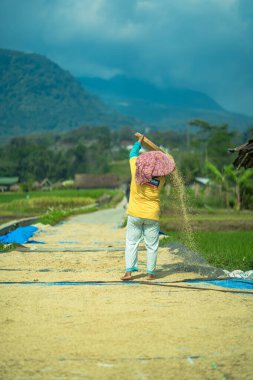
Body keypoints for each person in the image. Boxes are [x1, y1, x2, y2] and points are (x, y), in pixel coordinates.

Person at [121, 134, 175, 281]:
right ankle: (150, 273)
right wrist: (164, 155)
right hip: (152, 214)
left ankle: (128, 272)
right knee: (152, 245)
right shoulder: (162, 178)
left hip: (135, 213)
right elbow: (170, 165)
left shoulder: (135, 169)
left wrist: (139, 142)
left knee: (132, 242)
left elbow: (132, 153)